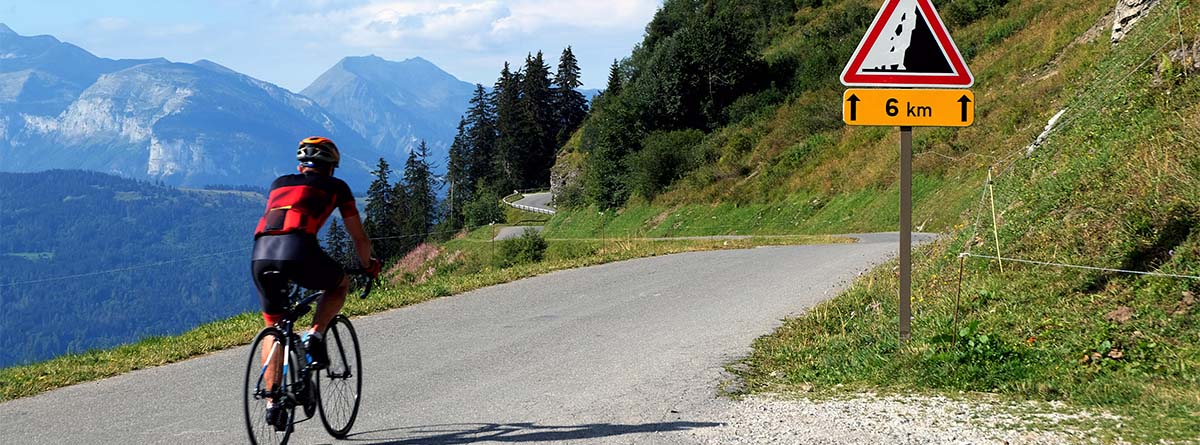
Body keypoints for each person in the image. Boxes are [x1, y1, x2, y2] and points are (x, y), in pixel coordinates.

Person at [250, 136, 381, 429]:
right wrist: (367, 265)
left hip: (260, 255)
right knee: (338, 284)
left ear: (300, 166)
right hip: (298, 251)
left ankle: (273, 402)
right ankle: (315, 335)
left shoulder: (279, 183)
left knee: (274, 326)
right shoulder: (338, 187)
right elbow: (358, 237)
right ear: (332, 168)